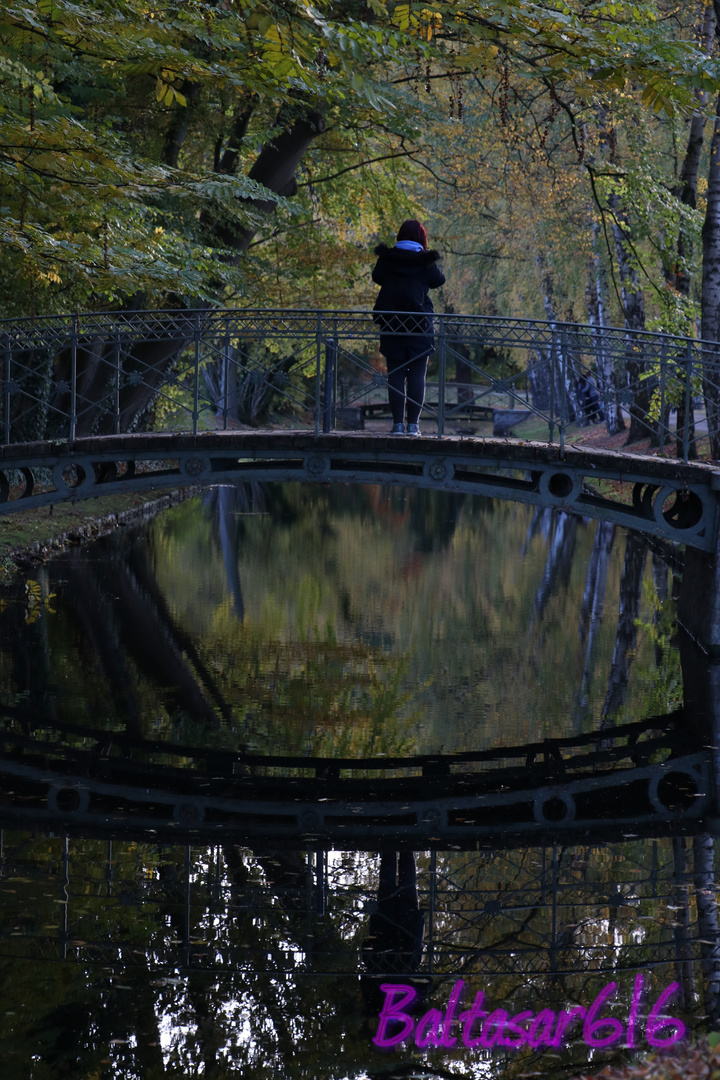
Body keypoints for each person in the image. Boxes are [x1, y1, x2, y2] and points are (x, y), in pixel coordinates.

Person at [372, 220, 445, 435]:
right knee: (417, 374)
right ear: (421, 239)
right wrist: (426, 253)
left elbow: (377, 278)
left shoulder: (387, 259)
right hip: (420, 324)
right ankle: (413, 426)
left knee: (395, 373)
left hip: (392, 322)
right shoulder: (425, 261)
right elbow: (439, 280)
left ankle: (397, 425)